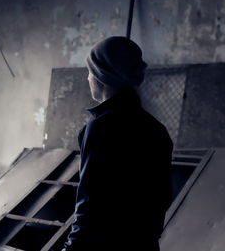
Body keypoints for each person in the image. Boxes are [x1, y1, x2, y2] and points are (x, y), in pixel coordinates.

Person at [63, 36, 173, 251]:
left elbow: (89, 210)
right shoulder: (157, 130)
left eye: (90, 72)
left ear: (101, 77)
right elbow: (161, 201)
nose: (87, 78)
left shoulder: (99, 129)